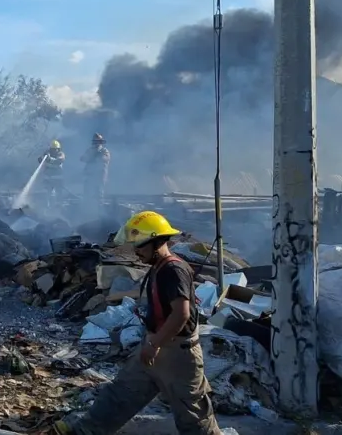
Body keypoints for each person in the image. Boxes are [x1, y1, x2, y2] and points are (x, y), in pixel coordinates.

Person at [53, 211, 221, 435]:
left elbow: (181, 314)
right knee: (121, 393)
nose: (136, 252)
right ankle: (84, 432)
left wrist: (154, 345)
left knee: (193, 417)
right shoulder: (160, 268)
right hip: (155, 345)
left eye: (140, 246)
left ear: (158, 241)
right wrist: (151, 343)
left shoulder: (174, 270)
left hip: (178, 355)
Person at [80, 133, 110, 202]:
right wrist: (89, 158)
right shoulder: (90, 150)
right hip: (89, 175)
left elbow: (105, 158)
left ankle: (99, 208)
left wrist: (96, 158)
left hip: (99, 176)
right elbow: (82, 158)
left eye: (98, 141)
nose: (96, 143)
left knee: (98, 193)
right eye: (95, 141)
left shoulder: (104, 151)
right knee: (87, 191)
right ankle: (87, 206)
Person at [39, 139, 66, 204]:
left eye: (56, 149)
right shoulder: (47, 154)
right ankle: (47, 206)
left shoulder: (61, 154)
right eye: (53, 149)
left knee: (59, 193)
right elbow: (41, 160)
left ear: (59, 149)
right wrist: (42, 158)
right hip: (48, 178)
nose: (55, 151)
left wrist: (50, 159)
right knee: (47, 193)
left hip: (58, 178)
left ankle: (59, 205)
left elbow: (59, 160)